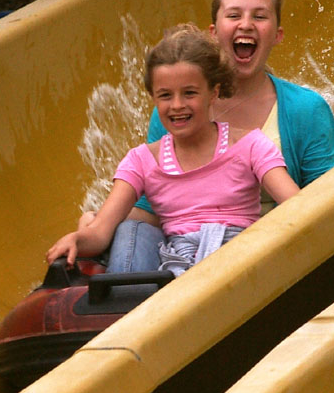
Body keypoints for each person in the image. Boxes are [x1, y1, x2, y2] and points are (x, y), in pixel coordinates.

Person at [81, 0, 334, 273]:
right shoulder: (177, 111)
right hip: (190, 248)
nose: (246, 24)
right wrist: (99, 228)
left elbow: (321, 204)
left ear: (277, 34)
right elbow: (156, 205)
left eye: (259, 16)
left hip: (267, 246)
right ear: (214, 33)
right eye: (234, 15)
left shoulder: (305, 110)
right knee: (128, 231)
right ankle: (125, 307)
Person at [47, 25, 299, 274]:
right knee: (129, 229)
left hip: (240, 260)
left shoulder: (250, 145)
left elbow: (296, 204)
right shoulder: (142, 161)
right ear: (154, 98)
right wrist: (77, 240)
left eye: (189, 93)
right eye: (165, 96)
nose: (177, 105)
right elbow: (100, 232)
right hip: (180, 270)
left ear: (214, 92)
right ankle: (125, 308)